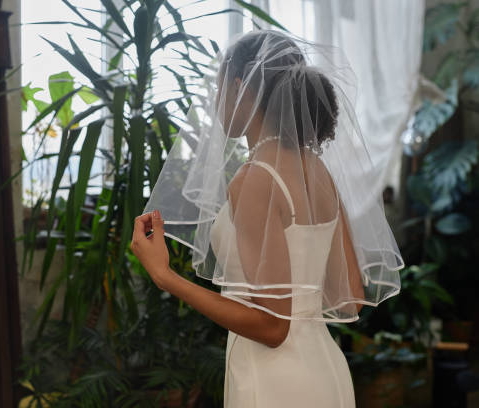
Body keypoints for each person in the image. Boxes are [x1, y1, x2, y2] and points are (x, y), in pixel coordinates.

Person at [132, 29, 404, 407]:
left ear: (241, 87)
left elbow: (274, 327)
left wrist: (165, 277)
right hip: (324, 370)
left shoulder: (255, 179)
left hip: (274, 379)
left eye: (219, 88)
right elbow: (348, 298)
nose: (215, 102)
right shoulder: (318, 172)